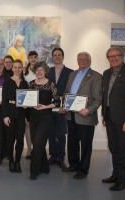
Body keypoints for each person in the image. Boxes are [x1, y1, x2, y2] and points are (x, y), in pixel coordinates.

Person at [101, 47, 125, 191]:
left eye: (117, 55)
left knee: (123, 150)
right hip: (110, 117)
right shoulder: (106, 73)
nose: (114, 58)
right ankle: (116, 175)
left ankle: (123, 181)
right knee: (114, 148)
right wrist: (104, 115)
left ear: (122, 57)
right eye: (110, 56)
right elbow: (106, 97)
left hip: (124, 119)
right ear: (108, 59)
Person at [61, 52, 102, 180]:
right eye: (80, 59)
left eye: (85, 59)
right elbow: (66, 93)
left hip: (85, 116)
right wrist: (64, 105)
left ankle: (83, 169)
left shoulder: (96, 76)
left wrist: (89, 110)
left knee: (85, 144)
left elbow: (98, 99)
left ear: (90, 61)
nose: (82, 61)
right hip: (71, 114)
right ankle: (73, 164)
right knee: (72, 142)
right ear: (77, 60)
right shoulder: (72, 74)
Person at [28, 61, 60, 180]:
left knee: (37, 143)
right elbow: (27, 99)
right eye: (37, 70)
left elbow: (57, 102)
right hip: (33, 117)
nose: (39, 72)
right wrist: (29, 105)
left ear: (45, 71)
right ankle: (45, 166)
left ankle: (34, 171)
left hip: (46, 117)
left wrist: (45, 106)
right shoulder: (31, 84)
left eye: (41, 70)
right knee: (38, 143)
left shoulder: (51, 84)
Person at [47, 47, 73, 168]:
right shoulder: (48, 71)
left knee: (61, 133)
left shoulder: (70, 72)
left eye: (59, 55)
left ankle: (61, 157)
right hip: (50, 107)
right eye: (55, 55)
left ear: (63, 56)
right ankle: (53, 155)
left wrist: (66, 105)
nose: (57, 57)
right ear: (52, 57)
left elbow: (71, 91)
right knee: (51, 131)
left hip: (63, 107)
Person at [2, 59, 29, 173]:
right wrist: (5, 116)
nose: (17, 69)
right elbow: (4, 101)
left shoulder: (25, 83)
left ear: (22, 69)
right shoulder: (7, 82)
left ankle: (18, 161)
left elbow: (28, 99)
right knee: (10, 139)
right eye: (15, 67)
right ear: (12, 68)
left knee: (20, 139)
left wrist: (27, 106)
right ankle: (11, 161)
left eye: (19, 67)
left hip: (21, 114)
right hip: (10, 112)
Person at [23, 51, 39, 159]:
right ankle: (29, 149)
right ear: (28, 59)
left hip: (37, 101)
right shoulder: (24, 71)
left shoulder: (41, 70)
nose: (33, 59)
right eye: (31, 57)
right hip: (26, 102)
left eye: (35, 57)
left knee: (37, 126)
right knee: (27, 126)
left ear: (37, 59)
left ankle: (37, 149)